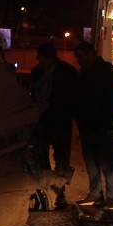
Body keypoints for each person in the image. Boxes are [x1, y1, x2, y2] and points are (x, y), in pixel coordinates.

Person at [73, 42, 113, 210]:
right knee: (91, 162)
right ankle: (96, 193)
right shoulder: (85, 73)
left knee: (105, 161)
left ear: (90, 54)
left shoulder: (107, 72)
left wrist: (111, 125)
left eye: (80, 57)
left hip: (102, 124)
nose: (78, 61)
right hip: (88, 125)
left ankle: (112, 195)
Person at [30, 42, 79, 177]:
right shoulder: (68, 71)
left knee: (42, 152)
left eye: (39, 56)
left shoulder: (38, 72)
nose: (37, 59)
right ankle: (60, 185)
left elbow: (34, 93)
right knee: (62, 153)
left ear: (46, 57)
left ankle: (44, 182)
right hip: (61, 118)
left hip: (45, 117)